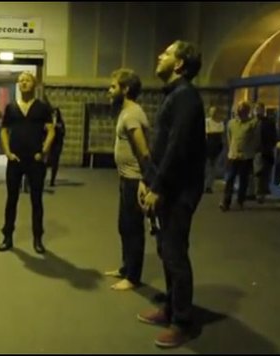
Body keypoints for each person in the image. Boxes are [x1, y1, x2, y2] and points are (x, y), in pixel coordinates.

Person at [138, 40, 206, 348]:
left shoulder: (186, 98)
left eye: (166, 53)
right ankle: (169, 308)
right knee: (166, 251)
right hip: (166, 189)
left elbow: (177, 149)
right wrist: (148, 181)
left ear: (179, 64)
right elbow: (161, 148)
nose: (159, 55)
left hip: (179, 192)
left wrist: (159, 187)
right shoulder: (175, 96)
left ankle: (183, 322)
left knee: (175, 254)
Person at [105, 68, 151, 291]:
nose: (109, 90)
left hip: (135, 179)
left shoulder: (132, 114)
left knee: (133, 228)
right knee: (124, 226)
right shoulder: (125, 112)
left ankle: (133, 277)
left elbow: (144, 151)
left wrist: (146, 180)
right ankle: (126, 268)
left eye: (113, 87)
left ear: (126, 89)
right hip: (126, 179)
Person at [0, 72, 55, 254]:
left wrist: (44, 151)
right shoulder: (11, 108)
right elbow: (4, 131)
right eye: (21, 81)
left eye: (27, 80)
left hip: (35, 161)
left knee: (36, 200)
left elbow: (51, 131)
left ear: (35, 84)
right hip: (15, 160)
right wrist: (7, 152)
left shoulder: (42, 108)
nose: (23, 83)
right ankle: (7, 236)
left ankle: (38, 238)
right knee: (11, 200)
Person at [220, 101, 260, 211]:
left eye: (242, 111)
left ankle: (240, 200)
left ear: (247, 112)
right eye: (239, 110)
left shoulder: (253, 123)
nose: (240, 112)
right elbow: (229, 137)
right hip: (233, 155)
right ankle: (226, 201)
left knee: (243, 179)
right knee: (230, 178)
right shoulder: (231, 123)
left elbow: (256, 140)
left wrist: (250, 150)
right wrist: (232, 149)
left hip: (246, 157)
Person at [253, 102, 277, 204]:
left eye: (260, 109)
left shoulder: (269, 122)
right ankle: (257, 193)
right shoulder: (252, 122)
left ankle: (260, 193)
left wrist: (270, 146)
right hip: (254, 150)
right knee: (257, 173)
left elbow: (273, 136)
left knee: (262, 173)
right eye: (256, 109)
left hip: (265, 151)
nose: (258, 111)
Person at [204, 106, 224, 193]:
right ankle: (204, 185)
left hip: (216, 148)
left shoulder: (220, 123)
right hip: (207, 147)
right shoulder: (206, 122)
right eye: (211, 111)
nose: (213, 113)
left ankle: (208, 186)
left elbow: (221, 137)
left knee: (213, 168)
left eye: (214, 112)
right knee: (206, 168)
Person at [47, 104, 65, 187]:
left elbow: (63, 132)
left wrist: (58, 127)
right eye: (53, 113)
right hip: (49, 144)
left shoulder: (60, 122)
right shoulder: (48, 121)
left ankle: (52, 180)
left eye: (55, 113)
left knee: (55, 162)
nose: (54, 115)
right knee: (46, 162)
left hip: (57, 144)